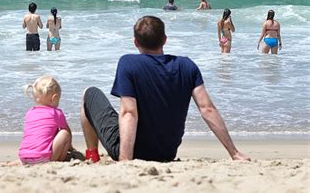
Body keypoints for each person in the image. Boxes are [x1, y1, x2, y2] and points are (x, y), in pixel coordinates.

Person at [80, 15, 249, 163]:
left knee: (89, 93)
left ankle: (92, 156)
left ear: (135, 42)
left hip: (134, 152)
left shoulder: (128, 63)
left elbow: (129, 113)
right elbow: (207, 109)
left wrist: (125, 160)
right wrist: (234, 153)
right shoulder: (187, 66)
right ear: (164, 40)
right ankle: (233, 153)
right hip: (167, 153)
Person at [18, 75, 73, 164]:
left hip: (24, 156)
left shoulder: (30, 113)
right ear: (54, 98)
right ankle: (58, 160)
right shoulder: (56, 113)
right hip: (42, 158)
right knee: (64, 133)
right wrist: (70, 147)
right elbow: (67, 131)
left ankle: (29, 160)